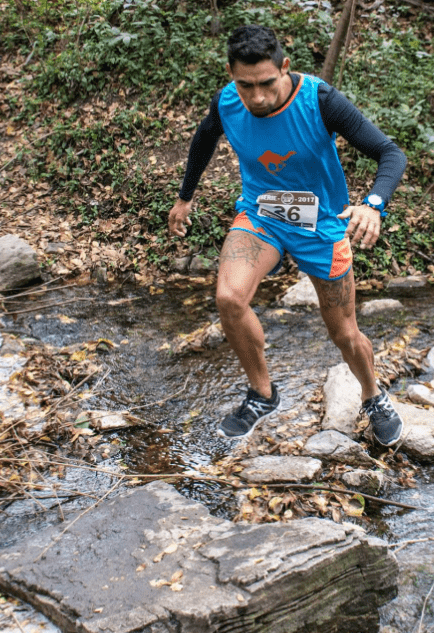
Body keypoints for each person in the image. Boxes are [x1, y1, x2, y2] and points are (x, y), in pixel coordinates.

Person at [168, 24, 407, 445]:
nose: (256, 97)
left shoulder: (319, 99)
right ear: (230, 74)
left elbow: (390, 153)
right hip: (262, 217)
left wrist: (373, 204)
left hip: (321, 226)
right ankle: (263, 393)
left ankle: (372, 396)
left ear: (285, 67)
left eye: (266, 83)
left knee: (344, 333)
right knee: (229, 297)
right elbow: (203, 139)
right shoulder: (227, 102)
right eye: (245, 85)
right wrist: (185, 197)